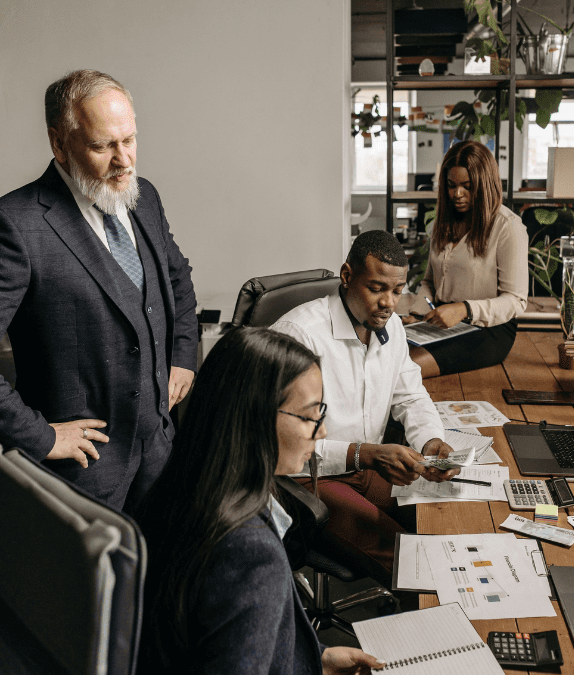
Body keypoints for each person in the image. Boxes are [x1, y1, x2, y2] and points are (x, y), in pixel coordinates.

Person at [0, 70, 197, 510]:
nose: (124, 160)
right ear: (59, 144)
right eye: (102, 146)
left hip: (161, 453)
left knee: (162, 576)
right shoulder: (16, 223)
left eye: (129, 140)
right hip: (80, 474)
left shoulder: (143, 196)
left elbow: (178, 280)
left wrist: (184, 358)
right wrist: (41, 436)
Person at [134, 327, 382, 674]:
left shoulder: (175, 490)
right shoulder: (249, 550)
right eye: (311, 416)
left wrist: (316, 660)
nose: (322, 430)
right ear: (256, 416)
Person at [272, 230, 457, 580]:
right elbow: (277, 440)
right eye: (377, 288)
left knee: (443, 520)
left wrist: (430, 441)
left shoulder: (392, 327)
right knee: (411, 561)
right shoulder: (300, 335)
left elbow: (410, 396)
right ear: (347, 277)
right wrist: (366, 453)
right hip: (305, 479)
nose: (389, 302)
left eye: (397, 291)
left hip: (367, 467)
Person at [405, 141, 529, 378]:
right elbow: (430, 282)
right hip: (440, 322)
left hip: (487, 330)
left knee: (405, 370)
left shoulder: (508, 227)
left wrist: (464, 309)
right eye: (451, 186)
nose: (457, 194)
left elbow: (516, 301)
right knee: (385, 357)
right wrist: (418, 314)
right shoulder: (442, 223)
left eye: (467, 186)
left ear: (484, 184)